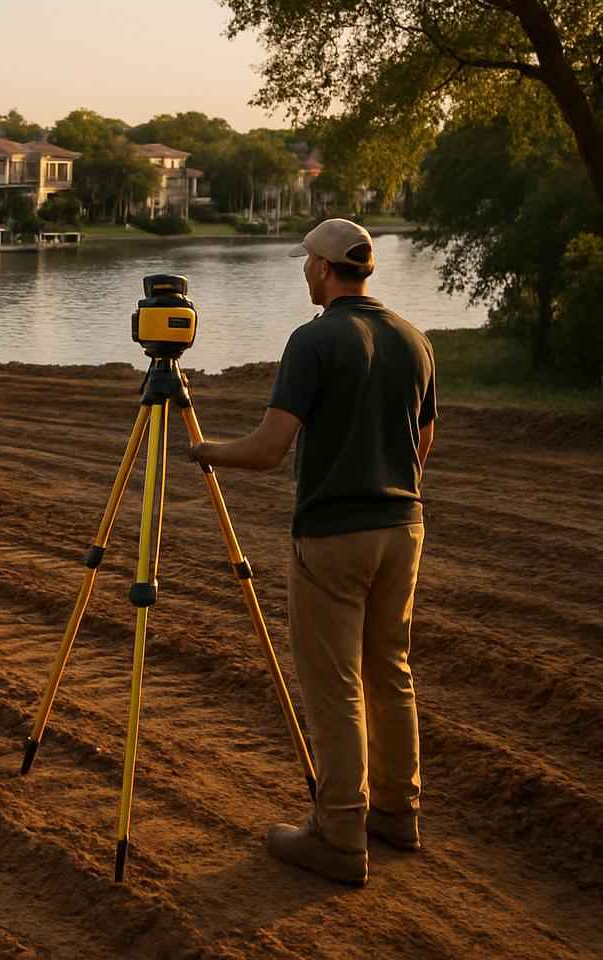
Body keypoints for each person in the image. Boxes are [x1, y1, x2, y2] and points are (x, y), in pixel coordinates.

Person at [188, 218, 436, 887]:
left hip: (334, 535)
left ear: (327, 268)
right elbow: (422, 443)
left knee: (336, 688)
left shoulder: (314, 339)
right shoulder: (414, 340)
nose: (303, 271)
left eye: (307, 263)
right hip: (403, 526)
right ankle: (397, 812)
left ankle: (338, 834)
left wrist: (205, 450)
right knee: (390, 671)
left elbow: (269, 451)